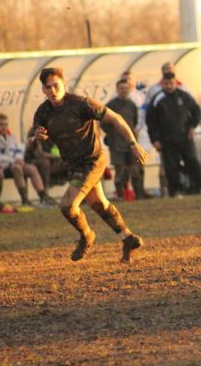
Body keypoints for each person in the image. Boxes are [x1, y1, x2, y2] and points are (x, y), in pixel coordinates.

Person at [31, 67, 146, 262]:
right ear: (43, 90)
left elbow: (116, 119)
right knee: (98, 203)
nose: (52, 90)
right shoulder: (43, 112)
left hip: (92, 161)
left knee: (67, 206)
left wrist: (133, 144)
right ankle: (127, 238)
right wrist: (37, 135)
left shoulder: (81, 104)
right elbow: (36, 134)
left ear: (63, 84)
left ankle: (87, 236)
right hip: (73, 166)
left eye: (55, 85)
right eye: (47, 87)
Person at [146, 72, 201, 197]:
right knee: (171, 166)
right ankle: (175, 191)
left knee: (192, 161)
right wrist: (154, 139)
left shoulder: (185, 96)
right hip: (167, 139)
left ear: (176, 83)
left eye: (171, 83)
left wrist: (192, 126)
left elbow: (197, 112)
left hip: (185, 137)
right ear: (162, 84)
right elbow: (150, 122)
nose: (169, 86)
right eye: (166, 84)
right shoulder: (157, 99)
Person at [0, 113, 56, 208]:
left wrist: (19, 158)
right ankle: (25, 200)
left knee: (31, 168)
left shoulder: (9, 136)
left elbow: (17, 149)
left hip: (11, 163)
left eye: (5, 124)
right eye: (1, 124)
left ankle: (43, 197)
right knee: (17, 168)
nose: (4, 127)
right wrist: (14, 160)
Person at [103, 79, 145, 200]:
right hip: (116, 144)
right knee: (120, 171)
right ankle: (120, 195)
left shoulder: (131, 105)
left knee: (135, 170)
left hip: (131, 144)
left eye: (126, 88)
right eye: (121, 88)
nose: (124, 90)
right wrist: (113, 134)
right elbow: (103, 123)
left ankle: (139, 196)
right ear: (117, 90)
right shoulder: (111, 105)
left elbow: (135, 121)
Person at [119, 70, 150, 199]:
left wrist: (137, 129)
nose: (127, 82)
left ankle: (140, 192)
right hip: (122, 139)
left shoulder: (140, 97)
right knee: (123, 167)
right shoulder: (116, 99)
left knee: (139, 164)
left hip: (138, 135)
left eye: (129, 79)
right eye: (124, 79)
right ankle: (124, 193)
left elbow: (143, 116)